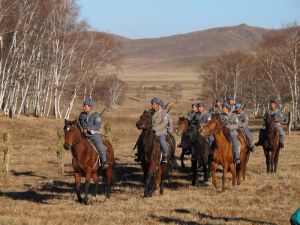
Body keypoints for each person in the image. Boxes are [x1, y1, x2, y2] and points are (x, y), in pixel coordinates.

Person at [77, 99, 108, 169]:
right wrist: (81, 128)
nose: (83, 107)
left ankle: (104, 162)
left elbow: (97, 125)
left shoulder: (96, 115)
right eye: (83, 106)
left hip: (93, 134)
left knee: (100, 146)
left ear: (90, 107)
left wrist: (88, 128)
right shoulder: (82, 114)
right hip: (83, 134)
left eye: (85, 106)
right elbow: (78, 123)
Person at [151, 97, 169, 163]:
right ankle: (140, 154)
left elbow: (164, 123)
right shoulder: (152, 112)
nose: (152, 106)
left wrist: (155, 129)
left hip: (161, 132)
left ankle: (165, 155)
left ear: (158, 105)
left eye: (153, 104)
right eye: (152, 104)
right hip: (151, 132)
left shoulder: (163, 112)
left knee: (162, 141)